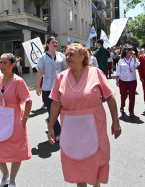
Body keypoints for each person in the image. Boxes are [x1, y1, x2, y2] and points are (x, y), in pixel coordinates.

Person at [47, 43, 121, 187]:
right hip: (71, 129)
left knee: (95, 161)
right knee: (77, 163)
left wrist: (116, 121)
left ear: (82, 57)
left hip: (94, 125)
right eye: (66, 54)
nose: (67, 57)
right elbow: (56, 103)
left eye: (71, 54)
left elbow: (110, 97)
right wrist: (51, 125)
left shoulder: (96, 73)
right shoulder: (61, 77)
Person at [0, 53, 32, 187]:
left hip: (15, 116)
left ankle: (12, 179)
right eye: (1, 62)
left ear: (13, 64)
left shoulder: (18, 81)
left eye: (5, 62)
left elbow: (28, 101)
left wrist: (24, 120)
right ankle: (5, 175)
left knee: (16, 150)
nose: (2, 65)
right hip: (0, 115)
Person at [36, 36, 67, 141]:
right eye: (52, 42)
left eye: (56, 42)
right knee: (51, 109)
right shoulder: (43, 57)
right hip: (48, 87)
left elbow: (65, 69)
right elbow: (40, 72)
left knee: (59, 110)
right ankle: (58, 133)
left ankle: (50, 120)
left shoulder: (61, 56)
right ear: (48, 44)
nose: (55, 43)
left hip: (60, 87)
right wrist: (38, 87)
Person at [116, 44, 140, 115]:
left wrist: (135, 57)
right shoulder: (121, 61)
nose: (132, 52)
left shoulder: (133, 60)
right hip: (123, 80)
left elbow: (137, 65)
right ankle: (122, 105)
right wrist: (117, 80)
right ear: (126, 51)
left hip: (132, 80)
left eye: (132, 50)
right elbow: (118, 71)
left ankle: (131, 110)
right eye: (130, 51)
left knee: (132, 96)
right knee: (123, 95)